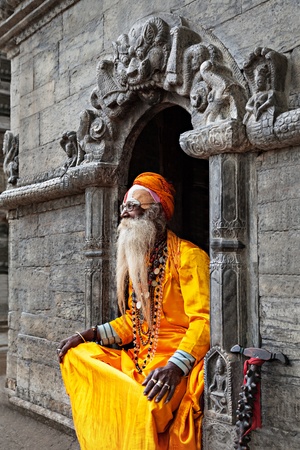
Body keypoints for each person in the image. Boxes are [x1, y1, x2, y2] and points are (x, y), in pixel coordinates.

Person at [58, 172, 210, 450]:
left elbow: (203, 322)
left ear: (156, 212)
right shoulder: (139, 260)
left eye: (132, 207)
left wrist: (175, 368)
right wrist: (88, 334)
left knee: (143, 405)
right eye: (123, 208)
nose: (124, 214)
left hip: (170, 364)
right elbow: (133, 320)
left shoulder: (190, 257)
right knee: (77, 355)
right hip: (138, 359)